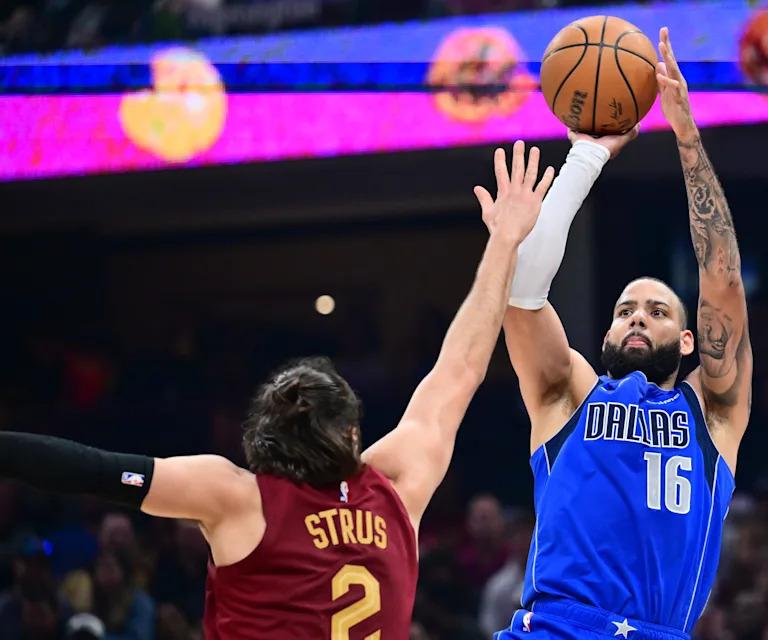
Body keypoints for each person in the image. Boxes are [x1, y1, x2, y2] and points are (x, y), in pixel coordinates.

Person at [0, 140, 556, 640]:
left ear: (265, 436)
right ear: (353, 432)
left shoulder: (236, 497)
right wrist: (504, 241)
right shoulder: (396, 485)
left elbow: (90, 468)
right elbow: (461, 367)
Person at [496, 28, 752, 639]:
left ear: (690, 342)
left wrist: (687, 137)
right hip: (553, 627)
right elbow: (521, 291)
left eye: (658, 310)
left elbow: (722, 278)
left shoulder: (712, 416)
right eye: (624, 309)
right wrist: (586, 157)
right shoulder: (569, 397)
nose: (636, 315)